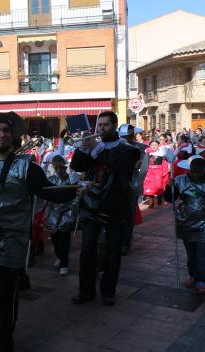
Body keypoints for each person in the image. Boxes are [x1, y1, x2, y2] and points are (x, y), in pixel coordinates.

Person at [0, 109, 76, 351]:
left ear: (12, 136)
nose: (1, 135)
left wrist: (75, 189)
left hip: (8, 244)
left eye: (5, 131)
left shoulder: (26, 166)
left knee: (3, 298)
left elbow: (47, 191)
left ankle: (0, 342)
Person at [71, 112, 141, 306]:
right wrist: (83, 149)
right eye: (99, 126)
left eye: (106, 125)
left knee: (112, 251)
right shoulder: (94, 144)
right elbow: (77, 166)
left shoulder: (128, 149)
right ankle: (86, 291)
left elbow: (120, 166)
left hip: (115, 206)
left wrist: (98, 148)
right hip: (91, 204)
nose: (101, 129)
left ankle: (108, 291)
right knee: (87, 251)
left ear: (115, 126)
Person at [164, 156, 205, 292]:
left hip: (204, 223)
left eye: (198, 172)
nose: (195, 174)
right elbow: (170, 198)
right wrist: (169, 187)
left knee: (202, 253)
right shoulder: (180, 180)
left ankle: (201, 280)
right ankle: (193, 275)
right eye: (193, 171)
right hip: (186, 222)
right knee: (191, 252)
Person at [45, 155, 79, 276]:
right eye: (57, 167)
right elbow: (46, 196)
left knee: (64, 239)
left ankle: (64, 263)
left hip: (66, 213)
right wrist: (47, 210)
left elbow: (76, 196)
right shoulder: (51, 179)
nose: (59, 170)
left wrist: (72, 211)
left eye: (62, 168)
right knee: (55, 239)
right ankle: (59, 257)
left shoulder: (71, 179)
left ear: (65, 168)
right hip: (54, 213)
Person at [118, 124, 149, 255]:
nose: (126, 139)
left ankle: (125, 244)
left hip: (131, 186)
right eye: (123, 136)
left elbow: (143, 169)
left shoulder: (141, 149)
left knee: (128, 217)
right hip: (116, 186)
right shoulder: (116, 147)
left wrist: (135, 186)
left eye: (128, 136)